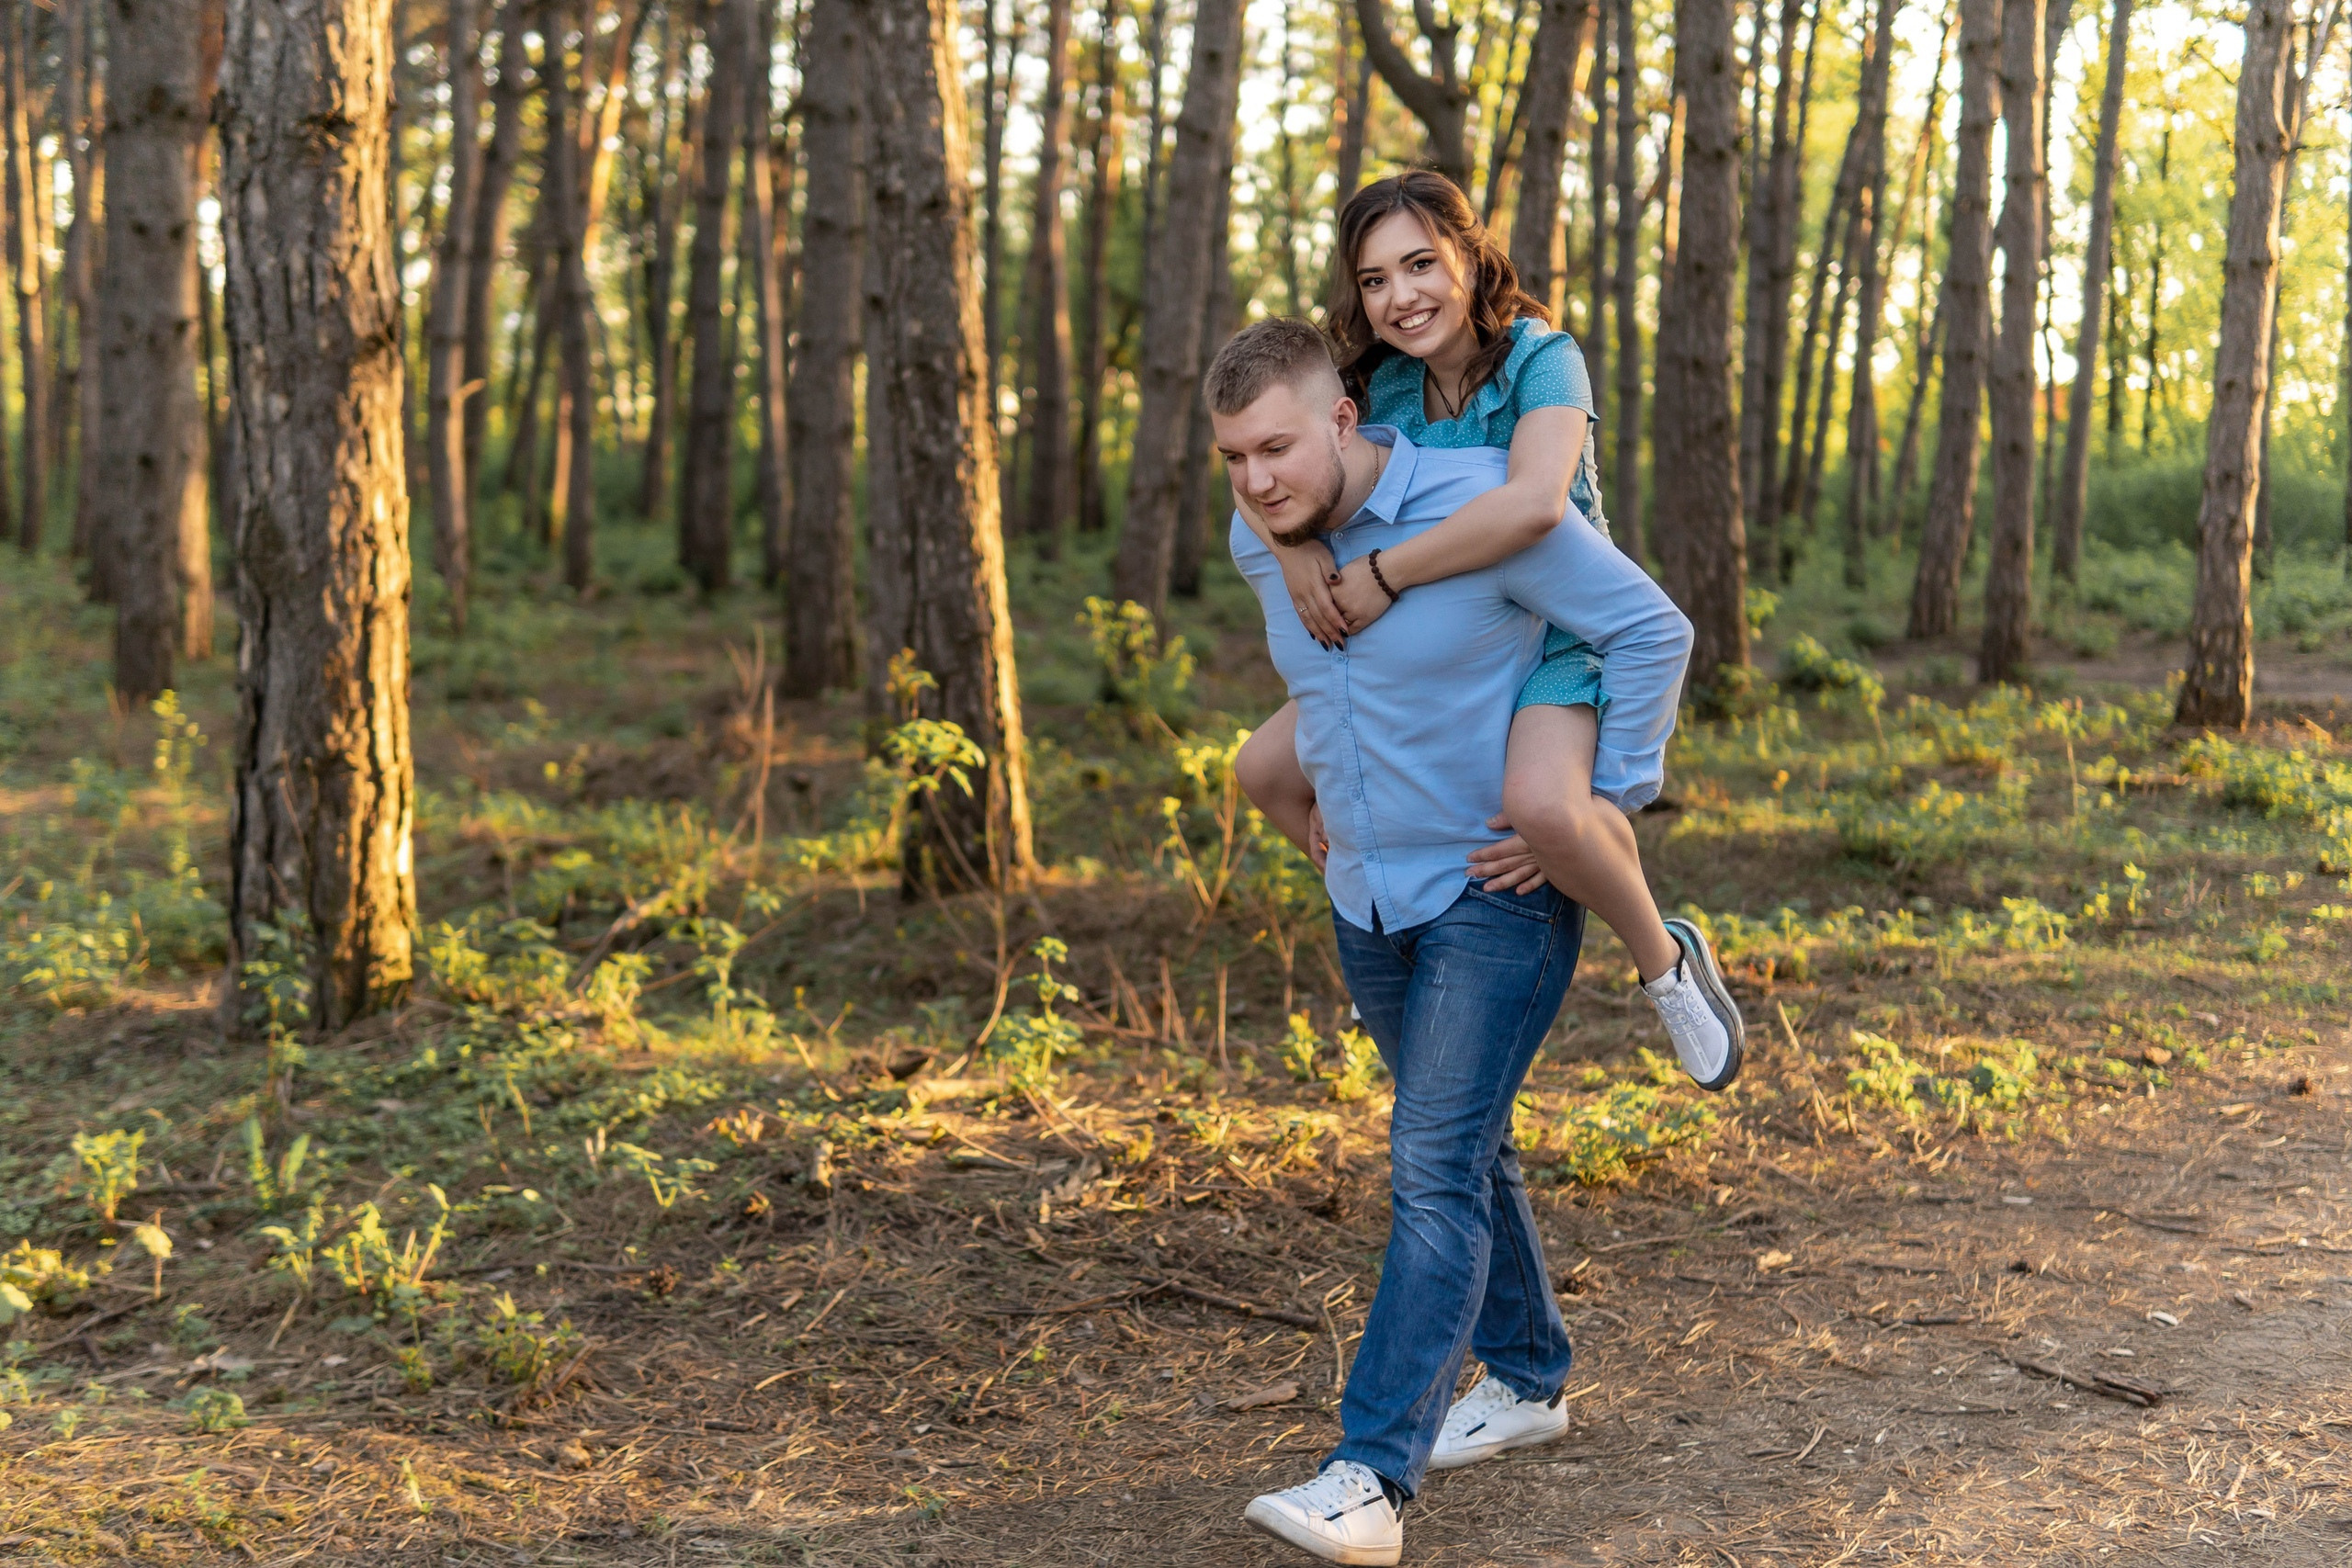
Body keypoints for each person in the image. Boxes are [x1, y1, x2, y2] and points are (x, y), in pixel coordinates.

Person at [1206, 316, 1693, 1566]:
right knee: (1467, 1146)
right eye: (1232, 459)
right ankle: (1529, 1375)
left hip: (1496, 895)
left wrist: (1595, 808)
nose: (1258, 479)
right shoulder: (1263, 541)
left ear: (1344, 420)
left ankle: (1371, 1476)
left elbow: (1651, 631)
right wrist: (1325, 821)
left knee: (1428, 1165)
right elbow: (1321, 698)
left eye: (1276, 447)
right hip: (1369, 897)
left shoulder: (1481, 504)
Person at [1230, 172, 1743, 1093]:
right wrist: (1295, 548)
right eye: (1375, 279)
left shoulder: (1541, 359)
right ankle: (1386, 898)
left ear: (1469, 254)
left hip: (1553, 627)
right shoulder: (1375, 383)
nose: (1401, 296)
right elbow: (1281, 457)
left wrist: (1385, 573)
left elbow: (1534, 506)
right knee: (1266, 770)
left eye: (1421, 264)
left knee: (1546, 810)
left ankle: (1663, 962)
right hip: (1445, 630)